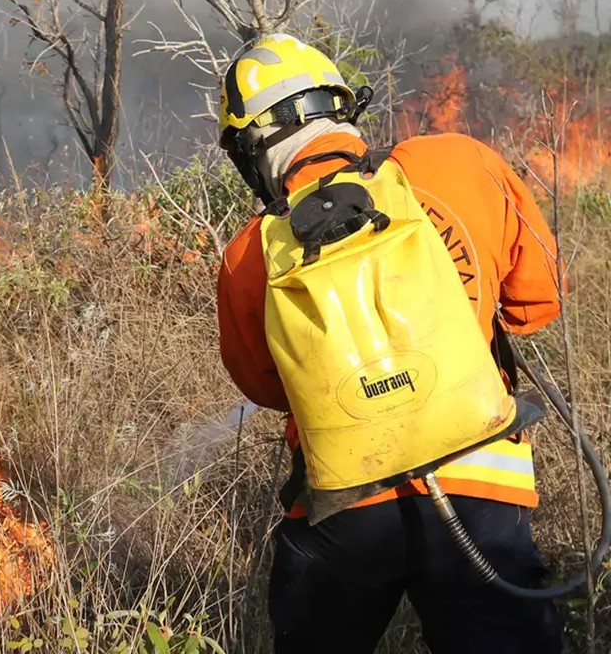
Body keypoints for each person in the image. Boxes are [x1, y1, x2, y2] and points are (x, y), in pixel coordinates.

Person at [213, 33, 566, 653]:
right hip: (482, 479)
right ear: (340, 106)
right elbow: (540, 303)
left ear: (252, 146)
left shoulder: (249, 253)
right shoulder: (458, 162)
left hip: (343, 504)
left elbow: (266, 386)